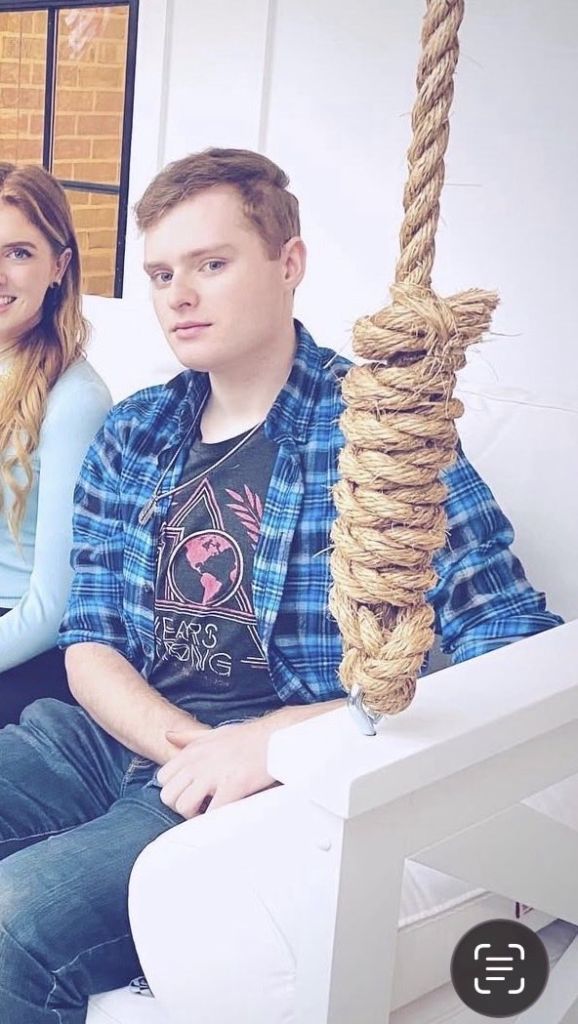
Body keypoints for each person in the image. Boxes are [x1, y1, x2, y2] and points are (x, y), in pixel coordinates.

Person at [0, 149, 562, 1021]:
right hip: (106, 738)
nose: (179, 296)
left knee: (18, 922)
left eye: (211, 264)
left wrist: (276, 745)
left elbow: (512, 646)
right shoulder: (135, 430)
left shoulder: (378, 437)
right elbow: (91, 640)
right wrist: (189, 745)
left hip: (261, 776)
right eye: (161, 274)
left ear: (288, 263)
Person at [0, 163, 111, 726]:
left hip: (21, 645)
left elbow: (53, 607)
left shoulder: (75, 401)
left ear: (58, 267)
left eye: (18, 253)